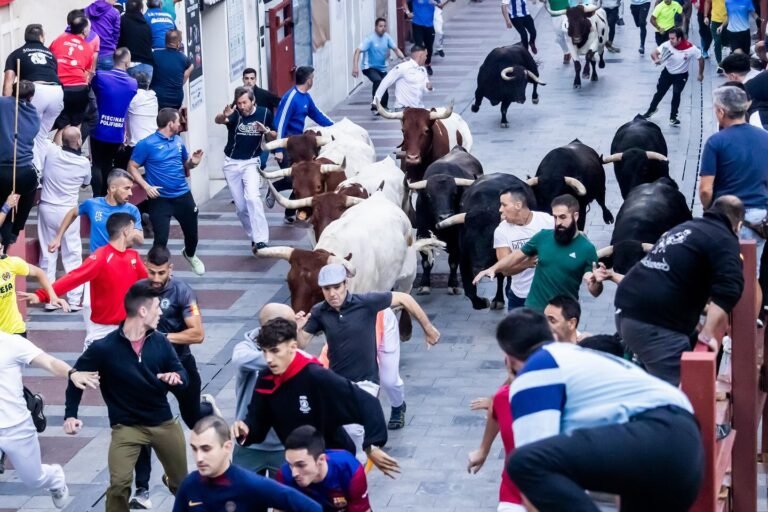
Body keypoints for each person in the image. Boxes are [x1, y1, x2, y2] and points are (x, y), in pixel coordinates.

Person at [498, 309, 704, 511]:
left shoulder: (537, 368)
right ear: (553, 337)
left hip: (658, 436)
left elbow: (532, 479)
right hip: (684, 447)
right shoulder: (579, 356)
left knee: (523, 462)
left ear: (508, 358)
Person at [64, 280, 189, 512]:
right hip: (126, 427)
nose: (160, 312)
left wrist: (176, 378)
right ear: (142, 311)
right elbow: (76, 377)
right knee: (119, 485)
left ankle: (171, 481)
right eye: (156, 307)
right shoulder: (104, 348)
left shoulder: (161, 342)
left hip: (162, 422)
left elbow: (183, 376)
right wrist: (70, 415)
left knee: (184, 485)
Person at [231, 318, 400, 478]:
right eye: (265, 351)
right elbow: (258, 423)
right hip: (299, 467)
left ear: (293, 347)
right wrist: (246, 429)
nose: (268, 359)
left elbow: (366, 402)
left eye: (275, 351)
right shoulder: (266, 379)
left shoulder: (316, 375)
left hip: (331, 462)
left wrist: (372, 445)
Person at [616, 196, 744, 385]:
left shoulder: (686, 228)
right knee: (683, 390)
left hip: (626, 311)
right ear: (738, 225)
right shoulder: (725, 240)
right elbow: (728, 291)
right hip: (653, 324)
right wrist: (708, 333)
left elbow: (676, 278)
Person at [299, 263, 441, 433]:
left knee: (388, 381)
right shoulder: (319, 312)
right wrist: (297, 328)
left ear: (346, 284)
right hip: (342, 380)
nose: (332, 293)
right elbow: (301, 344)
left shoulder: (367, 303)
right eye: (326, 289)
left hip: (376, 354)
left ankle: (398, 406)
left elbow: (405, 298)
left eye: (336, 287)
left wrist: (428, 328)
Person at [130, 246, 214, 509]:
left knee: (193, 417)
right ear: (145, 266)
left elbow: (197, 334)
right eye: (151, 271)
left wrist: (163, 339)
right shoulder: (138, 291)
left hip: (181, 363)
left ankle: (208, 409)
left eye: (161, 272)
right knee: (141, 422)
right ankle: (141, 490)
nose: (156, 278)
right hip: (149, 370)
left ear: (171, 269)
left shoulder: (183, 292)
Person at [0, 332, 99, 509]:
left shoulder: (11, 343)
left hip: (16, 427)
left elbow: (50, 363)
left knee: (34, 479)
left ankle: (55, 478)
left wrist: (72, 373)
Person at [35, 213, 148, 349]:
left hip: (128, 330)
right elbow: (74, 277)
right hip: (102, 332)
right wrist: (41, 295)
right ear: (126, 230)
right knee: (88, 370)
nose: (136, 233)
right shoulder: (101, 256)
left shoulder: (133, 256)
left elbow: (150, 283)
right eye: (134, 229)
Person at [474, 194, 602, 313]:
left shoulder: (587, 249)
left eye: (563, 217)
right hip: (532, 310)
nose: (558, 223)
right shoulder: (542, 236)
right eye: (555, 217)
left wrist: (595, 283)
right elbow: (516, 255)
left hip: (562, 315)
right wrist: (493, 268)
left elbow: (595, 291)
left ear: (575, 216)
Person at [700, 87, 768, 305]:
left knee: (721, 274)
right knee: (751, 275)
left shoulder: (716, 142)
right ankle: (751, 321)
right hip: (759, 217)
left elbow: (705, 189)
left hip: (728, 218)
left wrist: (708, 209)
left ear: (721, 111)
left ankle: (726, 327)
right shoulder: (765, 137)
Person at [173, 416, 322, 512]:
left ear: (227, 447)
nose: (199, 458)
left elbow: (311, 508)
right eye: (194, 449)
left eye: (206, 449)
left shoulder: (251, 484)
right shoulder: (189, 485)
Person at [128, 108, 205, 274]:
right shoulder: (147, 144)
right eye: (178, 121)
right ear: (170, 123)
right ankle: (155, 270)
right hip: (160, 199)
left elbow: (186, 164)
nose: (180, 124)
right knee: (160, 239)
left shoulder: (178, 141)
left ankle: (190, 254)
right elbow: (132, 167)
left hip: (183, 195)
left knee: (192, 235)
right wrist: (146, 187)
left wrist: (194, 162)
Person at [232, 303, 295, 475]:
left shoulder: (290, 347)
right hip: (249, 444)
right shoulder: (245, 349)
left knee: (285, 499)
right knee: (243, 499)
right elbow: (241, 360)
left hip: (283, 445)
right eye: (289, 324)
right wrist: (282, 354)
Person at [37, 128, 91, 310]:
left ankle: (50, 299)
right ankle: (75, 300)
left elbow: (51, 139)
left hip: (47, 207)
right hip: (69, 211)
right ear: (78, 142)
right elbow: (86, 183)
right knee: (73, 255)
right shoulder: (84, 163)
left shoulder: (51, 152)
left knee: (47, 254)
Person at [271, 66, 334, 223]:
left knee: (304, 177)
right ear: (308, 80)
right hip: (286, 144)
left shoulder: (306, 97)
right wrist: (278, 149)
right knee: (290, 179)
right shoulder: (290, 97)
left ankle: (289, 213)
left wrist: (335, 127)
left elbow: (316, 114)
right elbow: (279, 124)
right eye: (312, 77)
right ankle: (273, 189)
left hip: (299, 145)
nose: (313, 80)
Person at [214, 86, 272, 253]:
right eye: (239, 103)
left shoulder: (264, 113)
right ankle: (254, 236)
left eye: (245, 102)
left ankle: (262, 240)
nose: (242, 106)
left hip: (251, 162)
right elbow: (219, 120)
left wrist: (265, 130)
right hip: (231, 163)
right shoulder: (235, 113)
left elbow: (274, 135)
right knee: (241, 208)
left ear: (253, 101)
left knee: (253, 198)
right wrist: (224, 115)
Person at [3, 24, 63, 170]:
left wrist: (7, 106)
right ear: (42, 37)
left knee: (27, 133)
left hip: (35, 92)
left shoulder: (16, 54)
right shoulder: (50, 54)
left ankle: (28, 168)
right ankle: (39, 172)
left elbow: (8, 83)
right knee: (41, 135)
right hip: (56, 92)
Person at [466, 364, 524, 512]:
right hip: (513, 494)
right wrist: (483, 449)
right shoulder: (503, 398)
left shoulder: (565, 396)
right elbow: (497, 409)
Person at [48, 168, 143, 256]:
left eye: (131, 188)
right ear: (113, 188)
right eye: (126, 188)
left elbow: (140, 241)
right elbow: (72, 213)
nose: (130, 193)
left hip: (120, 261)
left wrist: (132, 233)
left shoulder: (132, 210)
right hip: (97, 261)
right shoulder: (92, 204)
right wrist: (58, 238)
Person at [278, 425, 372, 511]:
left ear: (321, 459)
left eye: (301, 465)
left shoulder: (350, 470)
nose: (294, 473)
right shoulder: (284, 474)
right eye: (290, 464)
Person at [493, 188, 554, 310]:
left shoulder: (547, 221)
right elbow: (505, 270)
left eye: (504, 205)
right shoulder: (501, 231)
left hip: (550, 295)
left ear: (518, 205)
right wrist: (527, 264)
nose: (500, 209)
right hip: (520, 297)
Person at [90, 47, 138, 195]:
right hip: (117, 132)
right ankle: (108, 195)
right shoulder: (132, 84)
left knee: (97, 163)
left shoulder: (101, 77)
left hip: (98, 128)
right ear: (127, 62)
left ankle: (98, 196)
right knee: (108, 164)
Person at [0, 81, 40, 250]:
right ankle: (16, 229)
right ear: (31, 96)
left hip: (2, 169)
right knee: (30, 189)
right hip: (23, 169)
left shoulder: (2, 103)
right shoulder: (34, 114)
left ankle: (10, 231)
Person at [641, 27, 704, 126]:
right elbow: (654, 53)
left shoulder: (691, 48)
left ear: (679, 39)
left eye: (673, 39)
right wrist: (656, 59)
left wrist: (700, 73)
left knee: (676, 93)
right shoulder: (667, 45)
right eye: (669, 38)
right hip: (667, 73)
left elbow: (700, 59)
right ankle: (651, 110)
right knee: (660, 92)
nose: (670, 41)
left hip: (681, 75)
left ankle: (673, 117)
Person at [50, 15, 95, 146]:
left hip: (59, 87)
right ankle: (73, 155)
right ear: (85, 31)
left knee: (63, 125)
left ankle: (56, 156)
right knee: (75, 126)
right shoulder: (87, 47)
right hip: (78, 88)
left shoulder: (58, 40)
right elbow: (86, 72)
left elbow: (50, 58)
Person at [352, 18, 406, 112]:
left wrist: (403, 58)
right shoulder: (370, 39)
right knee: (378, 80)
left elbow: (396, 49)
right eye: (380, 26)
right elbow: (357, 51)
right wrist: (355, 67)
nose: (383, 28)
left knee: (385, 83)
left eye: (385, 26)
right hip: (369, 67)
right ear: (376, 27)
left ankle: (384, 107)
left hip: (382, 68)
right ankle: (375, 106)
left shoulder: (387, 37)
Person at [242, 67, 280, 169]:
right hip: (246, 135)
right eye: (246, 78)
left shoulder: (265, 95)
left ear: (255, 79)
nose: (249, 81)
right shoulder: (239, 96)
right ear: (243, 80)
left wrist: (274, 122)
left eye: (252, 78)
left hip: (263, 136)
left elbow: (282, 104)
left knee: (260, 163)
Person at [372, 45, 432, 109]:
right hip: (403, 110)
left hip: (419, 108)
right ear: (421, 55)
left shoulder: (423, 70)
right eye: (425, 55)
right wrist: (376, 101)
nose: (426, 58)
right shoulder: (402, 68)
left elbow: (425, 88)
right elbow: (386, 82)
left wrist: (429, 87)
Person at [120, 71, 158, 169]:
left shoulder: (133, 98)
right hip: (155, 144)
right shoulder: (153, 98)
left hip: (136, 147)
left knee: (118, 166)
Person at [150, 30, 193, 110]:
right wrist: (181, 82)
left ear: (165, 41)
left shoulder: (154, 55)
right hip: (176, 100)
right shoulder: (183, 58)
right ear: (178, 43)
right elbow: (191, 67)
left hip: (158, 99)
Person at [118, 0, 154, 81]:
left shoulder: (121, 21)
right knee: (143, 93)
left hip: (128, 65)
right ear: (141, 9)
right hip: (146, 66)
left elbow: (117, 42)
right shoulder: (146, 25)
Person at [402, 0, 436, 75]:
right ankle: (417, 67)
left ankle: (427, 64)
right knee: (418, 46)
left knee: (429, 48)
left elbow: (440, 5)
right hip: (417, 25)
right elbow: (404, 2)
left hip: (429, 26)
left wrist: (436, 3)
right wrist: (408, 12)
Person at [86, 0, 122, 70]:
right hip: (106, 53)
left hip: (89, 54)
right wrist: (113, 47)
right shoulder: (114, 12)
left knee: (87, 80)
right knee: (106, 80)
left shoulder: (88, 9)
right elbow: (116, 34)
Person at [705, 0, 728, 71]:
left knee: (725, 42)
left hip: (728, 20)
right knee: (717, 41)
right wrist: (705, 16)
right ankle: (719, 64)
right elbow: (707, 2)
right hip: (715, 21)